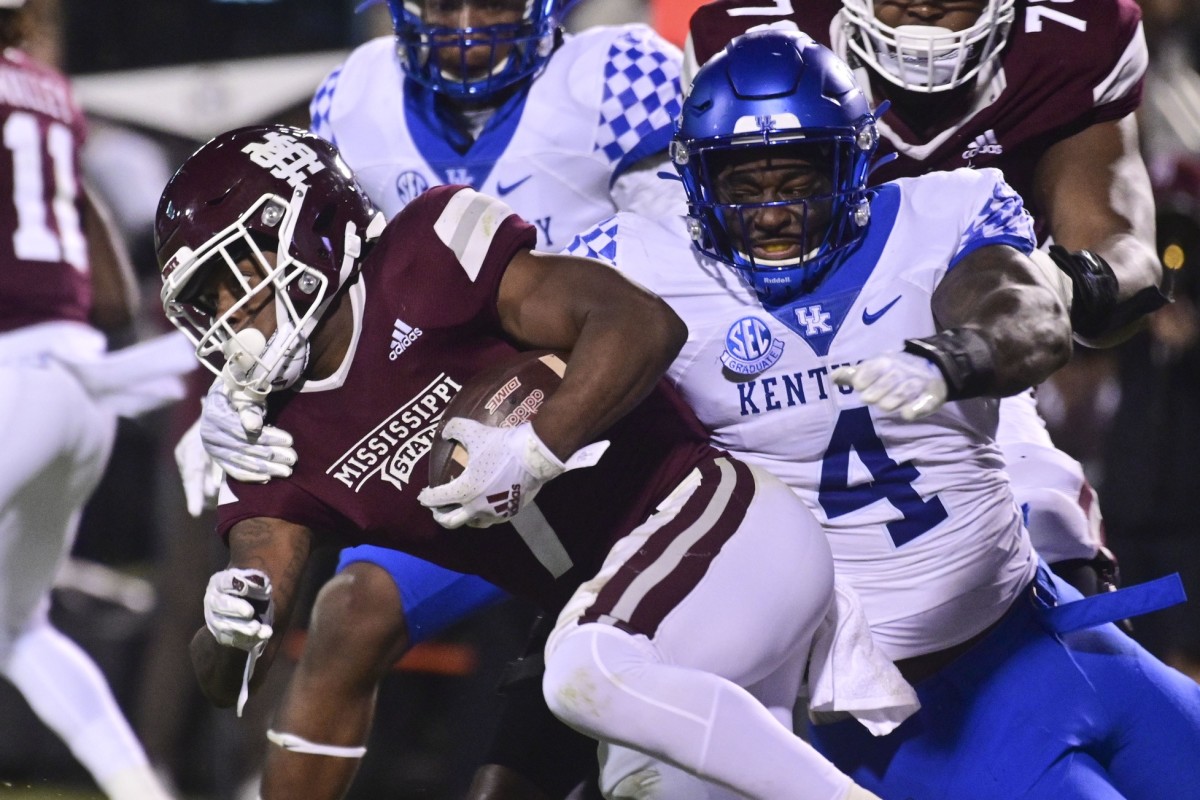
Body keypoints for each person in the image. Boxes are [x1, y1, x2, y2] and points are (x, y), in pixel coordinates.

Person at [158, 123, 916, 800]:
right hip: (603, 600)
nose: (232, 310)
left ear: (315, 227)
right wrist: (227, 630)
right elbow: (231, 667)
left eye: (241, 271)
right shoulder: (267, 433)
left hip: (708, 521)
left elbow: (641, 322)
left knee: (586, 671)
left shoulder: (424, 256)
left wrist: (539, 445)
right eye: (208, 297)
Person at [551, 30, 1200, 798]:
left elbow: (1030, 317)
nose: (773, 213)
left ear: (856, 162)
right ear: (695, 180)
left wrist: (952, 358)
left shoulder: (944, 209)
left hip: (1050, 629)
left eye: (798, 176)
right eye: (745, 186)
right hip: (914, 713)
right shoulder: (641, 270)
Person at [171, 2, 696, 797]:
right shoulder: (353, 99)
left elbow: (677, 264)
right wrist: (231, 388)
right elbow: (311, 286)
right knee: (352, 609)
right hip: (444, 424)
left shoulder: (619, 76)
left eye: (490, 0)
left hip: (598, 402)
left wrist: (546, 409)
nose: (466, 23)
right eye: (443, 1)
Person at [683, 0, 1168, 597]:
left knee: (1056, 527)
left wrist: (1050, 292)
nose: (920, 3)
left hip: (963, 346)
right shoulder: (750, 40)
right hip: (770, 340)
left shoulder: (1073, 41)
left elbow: (1121, 245)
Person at [0, 1, 187, 797]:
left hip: (14, 373)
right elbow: (110, 297)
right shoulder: (47, 89)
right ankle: (139, 789)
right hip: (82, 379)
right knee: (16, 629)